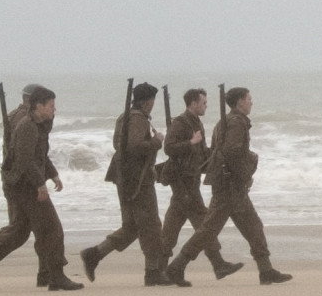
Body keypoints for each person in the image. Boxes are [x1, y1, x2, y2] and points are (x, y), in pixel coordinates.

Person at [0, 84, 80, 292]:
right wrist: (40, 184)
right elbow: (26, 160)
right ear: (38, 105)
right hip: (25, 186)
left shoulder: (37, 125)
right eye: (51, 106)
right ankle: (56, 276)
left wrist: (52, 174)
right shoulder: (27, 126)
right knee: (52, 229)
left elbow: (39, 155)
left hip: (21, 184)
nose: (55, 110)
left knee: (19, 232)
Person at [168, 86, 288, 284]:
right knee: (209, 231)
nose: (251, 102)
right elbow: (232, 153)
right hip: (229, 187)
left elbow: (219, 152)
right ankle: (177, 266)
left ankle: (266, 270)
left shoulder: (227, 122)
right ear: (240, 102)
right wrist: (245, 175)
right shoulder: (236, 123)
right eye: (248, 98)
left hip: (230, 185)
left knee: (252, 227)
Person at [81, 82, 172, 285]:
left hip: (125, 178)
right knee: (151, 225)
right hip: (138, 180)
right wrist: (157, 141)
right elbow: (134, 146)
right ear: (148, 101)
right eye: (152, 100)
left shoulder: (125, 117)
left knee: (131, 227)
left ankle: (95, 254)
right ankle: (152, 272)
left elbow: (118, 144)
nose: (153, 104)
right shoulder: (138, 119)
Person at [155, 86, 238, 282]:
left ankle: (158, 271)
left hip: (190, 180)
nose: (206, 106)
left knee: (173, 225)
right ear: (193, 103)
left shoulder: (195, 122)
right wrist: (191, 142)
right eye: (203, 103)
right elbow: (169, 148)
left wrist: (217, 152)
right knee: (203, 222)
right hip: (183, 182)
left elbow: (200, 153)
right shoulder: (181, 122)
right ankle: (217, 264)